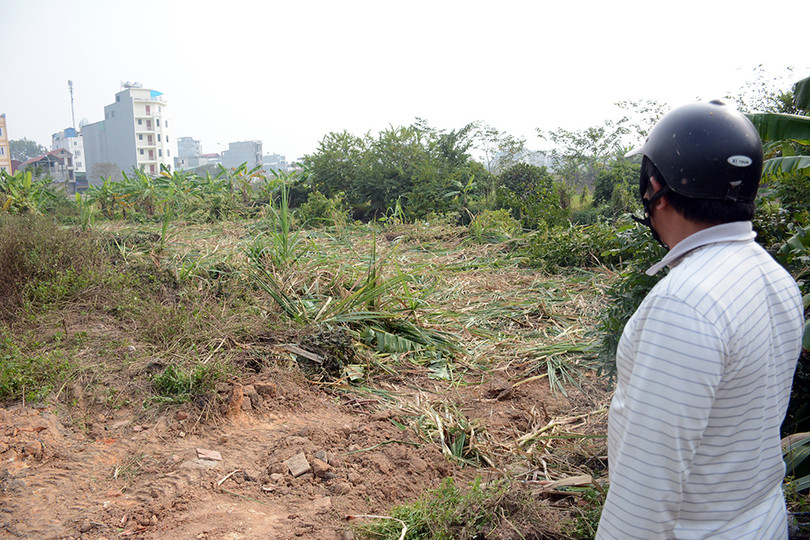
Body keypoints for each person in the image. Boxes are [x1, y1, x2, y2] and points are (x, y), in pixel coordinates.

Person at [595, 100, 804, 539]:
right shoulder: (774, 276)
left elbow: (644, 495)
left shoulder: (686, 303)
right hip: (760, 519)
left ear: (655, 188)